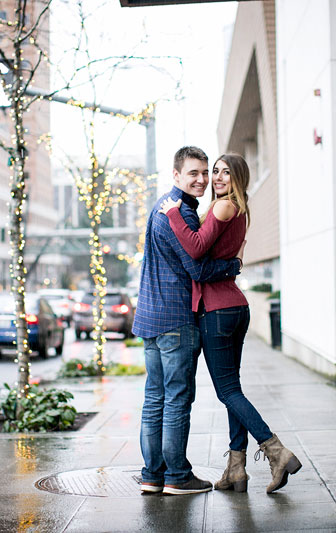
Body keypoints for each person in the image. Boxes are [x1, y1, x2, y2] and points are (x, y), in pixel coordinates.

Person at [159, 153, 302, 494]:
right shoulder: (239, 209)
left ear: (238, 178)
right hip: (234, 306)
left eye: (225, 173)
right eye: (215, 172)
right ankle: (236, 469)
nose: (217, 178)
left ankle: (276, 451)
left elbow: (194, 249)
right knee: (232, 390)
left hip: (217, 311)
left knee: (227, 391)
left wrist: (174, 213)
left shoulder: (224, 206)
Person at [133, 146, 244, 496]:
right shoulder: (180, 212)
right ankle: (177, 476)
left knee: (155, 397)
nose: (201, 179)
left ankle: (152, 474)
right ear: (176, 174)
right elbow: (197, 266)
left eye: (204, 172)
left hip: (150, 317)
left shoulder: (159, 207)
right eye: (193, 173)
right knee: (176, 397)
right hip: (176, 318)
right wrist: (232, 266)